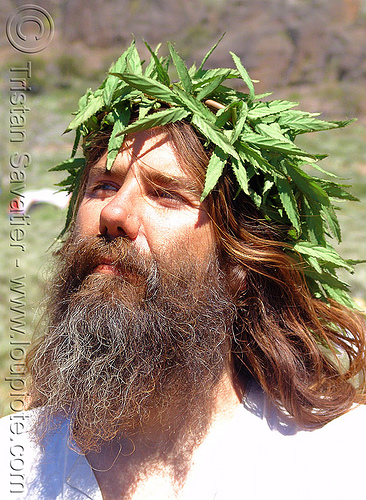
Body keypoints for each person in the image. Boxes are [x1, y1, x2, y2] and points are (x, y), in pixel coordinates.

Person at [1, 40, 366, 500]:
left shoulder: (339, 463)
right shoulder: (15, 460)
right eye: (103, 185)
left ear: (241, 263)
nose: (114, 212)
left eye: (166, 193)